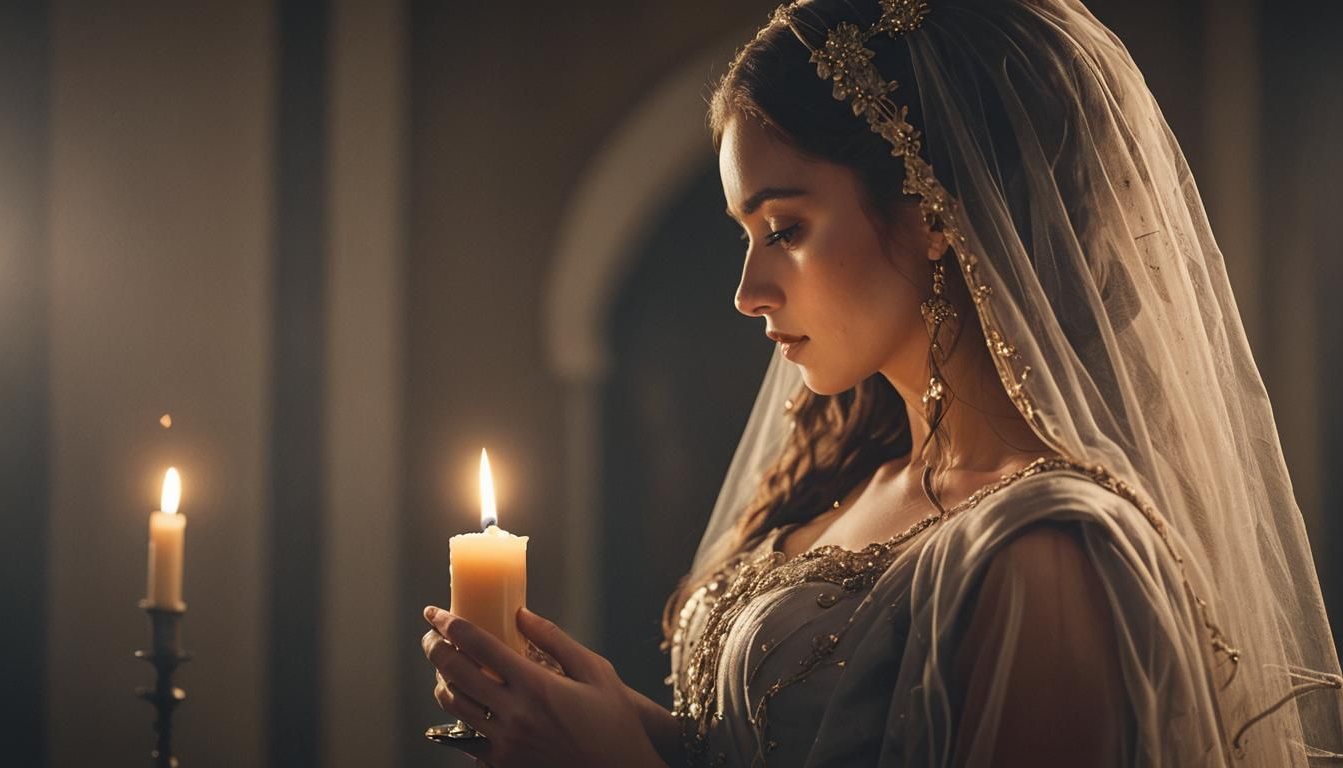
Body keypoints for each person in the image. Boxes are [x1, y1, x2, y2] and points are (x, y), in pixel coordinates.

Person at [421, 0, 1343, 765]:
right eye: (747, 234)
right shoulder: (861, 476)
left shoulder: (1049, 555)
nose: (747, 292)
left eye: (785, 229)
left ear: (934, 210)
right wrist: (613, 724)